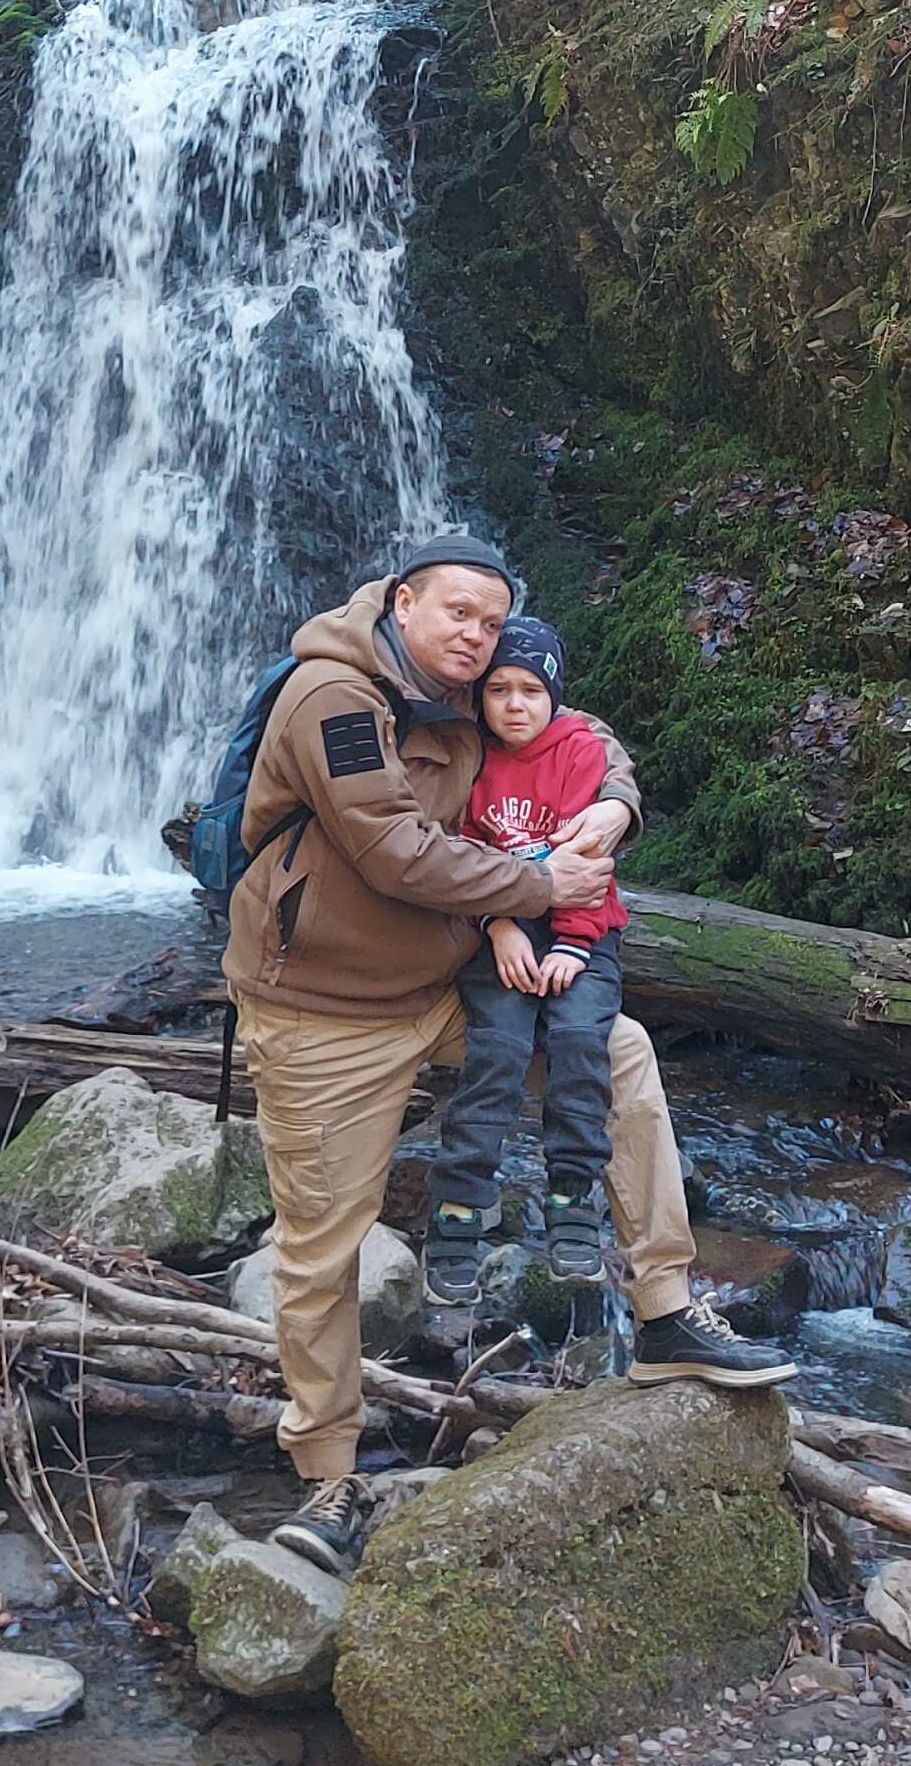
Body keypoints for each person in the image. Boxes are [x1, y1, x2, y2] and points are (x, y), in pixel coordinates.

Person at [222, 529, 797, 1583]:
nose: (477, 638)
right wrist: (539, 895)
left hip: (443, 986)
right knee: (320, 1243)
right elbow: (391, 850)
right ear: (402, 605)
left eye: (491, 623)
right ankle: (330, 1467)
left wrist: (615, 805)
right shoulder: (332, 700)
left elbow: (581, 736)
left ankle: (665, 1309)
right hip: (321, 1007)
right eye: (458, 615)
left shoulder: (476, 688)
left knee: (620, 1052)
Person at [422, 612, 635, 1307]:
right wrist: (500, 925)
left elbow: (586, 860)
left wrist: (572, 942)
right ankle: (458, 1210)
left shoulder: (578, 751)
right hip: (497, 931)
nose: (515, 705)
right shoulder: (468, 757)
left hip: (585, 928)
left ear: (555, 697)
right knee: (499, 1048)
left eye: (531, 691)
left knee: (579, 1037)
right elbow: (460, 856)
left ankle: (574, 1194)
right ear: (478, 696)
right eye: (499, 690)